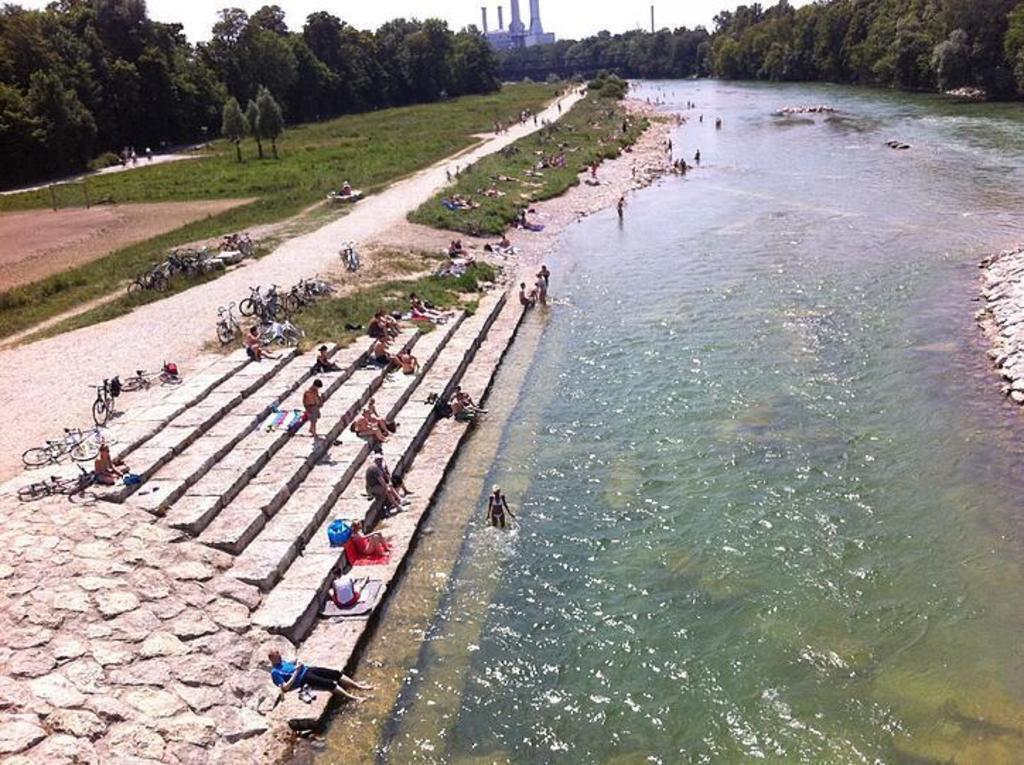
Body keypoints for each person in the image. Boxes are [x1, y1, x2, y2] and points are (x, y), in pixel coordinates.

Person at [268, 649, 371, 702]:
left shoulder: (282, 662)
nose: (281, 658)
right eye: (278, 657)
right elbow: (285, 687)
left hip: (307, 669)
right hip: (303, 678)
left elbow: (290, 666)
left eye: (280, 656)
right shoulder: (275, 673)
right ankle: (353, 698)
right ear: (272, 659)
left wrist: (297, 664)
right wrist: (296, 673)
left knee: (335, 673)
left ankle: (359, 686)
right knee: (329, 684)